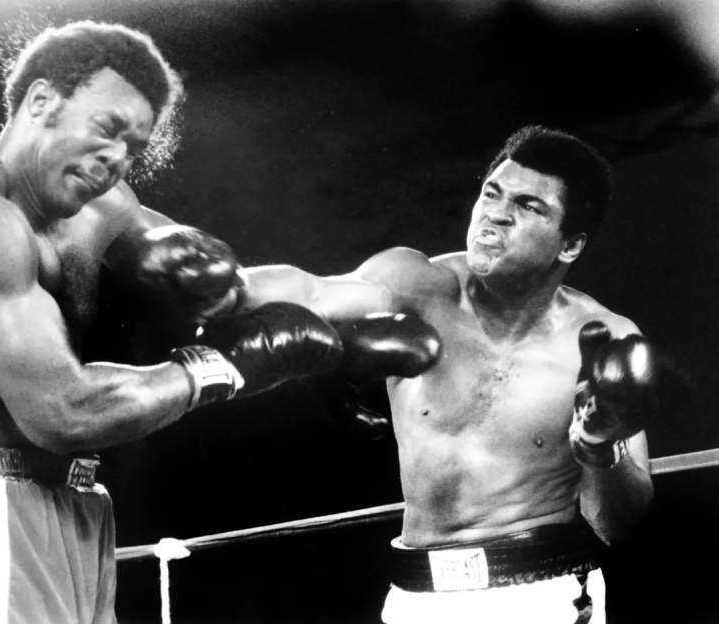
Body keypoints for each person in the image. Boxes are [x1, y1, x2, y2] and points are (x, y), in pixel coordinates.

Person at [0, 20, 369, 624]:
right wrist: (223, 367)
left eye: (133, 149)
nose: (116, 160)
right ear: (40, 102)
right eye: (106, 130)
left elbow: (235, 290)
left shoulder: (102, 208)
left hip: (79, 509)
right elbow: (63, 412)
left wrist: (355, 326)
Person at [239, 126, 665, 623]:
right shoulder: (413, 287)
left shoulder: (602, 339)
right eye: (492, 192)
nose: (496, 213)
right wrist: (231, 287)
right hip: (414, 597)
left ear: (568, 246)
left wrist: (599, 444)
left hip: (541, 594)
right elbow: (312, 293)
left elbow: (620, 526)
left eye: (529, 207)